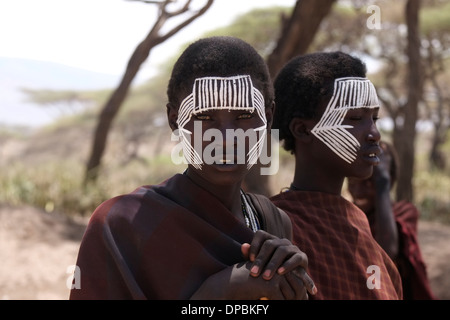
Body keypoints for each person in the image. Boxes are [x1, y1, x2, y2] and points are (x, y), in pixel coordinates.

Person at [69, 36, 316, 300]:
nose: (226, 137)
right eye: (204, 118)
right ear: (175, 120)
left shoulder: (273, 222)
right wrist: (220, 291)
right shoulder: (121, 224)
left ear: (267, 118)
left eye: (243, 116)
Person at [270, 51, 403, 299]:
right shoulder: (274, 226)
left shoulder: (356, 222)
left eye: (374, 118)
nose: (374, 133)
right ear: (302, 130)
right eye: (354, 118)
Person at [347, 140, 436, 299]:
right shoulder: (345, 216)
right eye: (353, 180)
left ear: (389, 181)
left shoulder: (404, 212)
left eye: (370, 181)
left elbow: (387, 251)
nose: (358, 190)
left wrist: (382, 181)